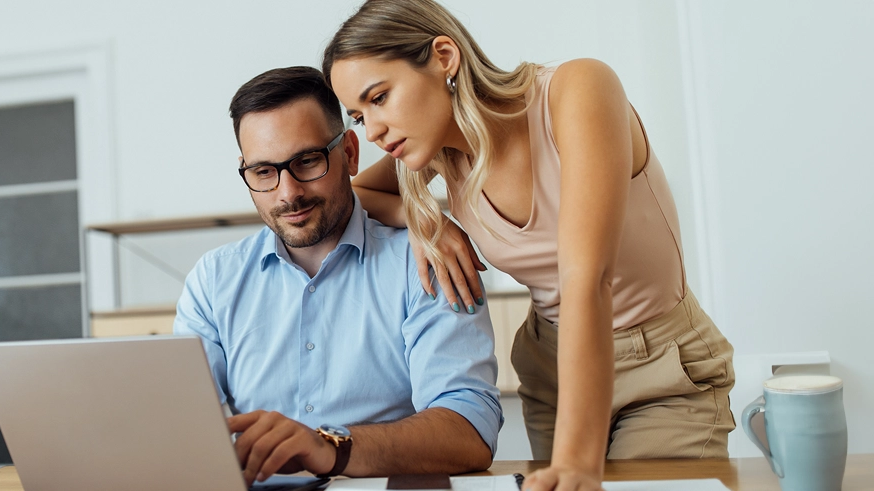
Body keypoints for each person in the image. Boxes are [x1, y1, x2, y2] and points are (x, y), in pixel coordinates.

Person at [322, 1, 736, 490]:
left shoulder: (577, 90)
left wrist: (577, 463)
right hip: (552, 369)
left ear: (444, 57)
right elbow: (356, 197)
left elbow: (587, 280)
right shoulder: (437, 154)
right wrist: (426, 224)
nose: (371, 131)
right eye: (357, 115)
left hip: (662, 371)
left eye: (380, 97)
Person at [172, 66, 502, 487]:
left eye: (307, 161)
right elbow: (186, 427)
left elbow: (470, 432)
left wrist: (331, 447)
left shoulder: (422, 263)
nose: (288, 193)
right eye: (263, 172)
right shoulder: (212, 282)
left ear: (349, 152)